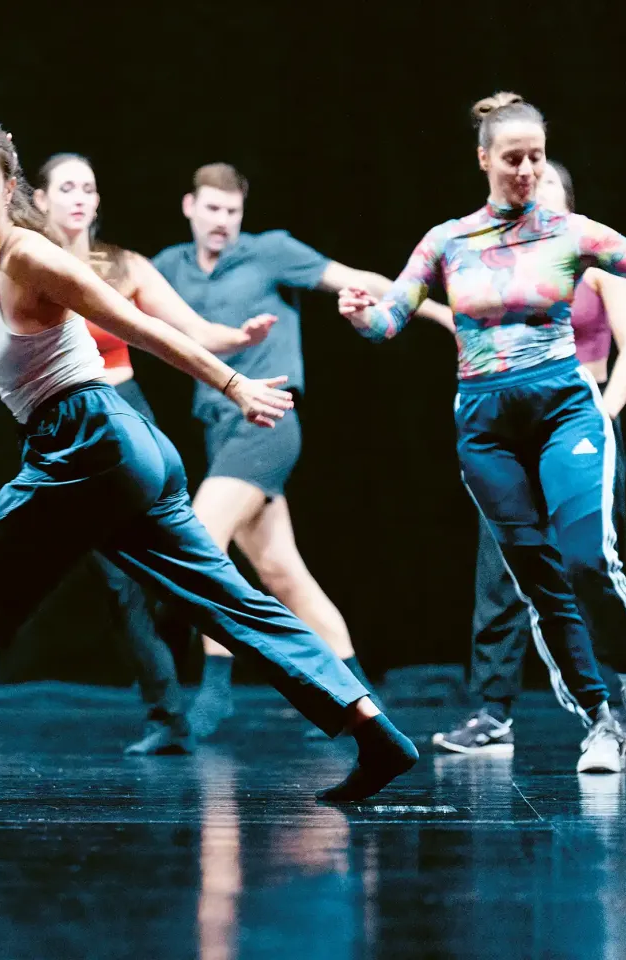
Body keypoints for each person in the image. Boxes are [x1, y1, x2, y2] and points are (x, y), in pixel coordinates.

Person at [0, 116, 419, 803]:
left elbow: (140, 325)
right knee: (230, 601)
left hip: (87, 442)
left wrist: (232, 382)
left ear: (10, 187)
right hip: (116, 451)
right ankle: (377, 734)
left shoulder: (30, 256)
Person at [338, 92, 626, 773]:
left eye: (536, 159)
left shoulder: (572, 235)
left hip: (565, 409)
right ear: (484, 159)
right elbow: (392, 318)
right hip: (485, 426)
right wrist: (360, 314)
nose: (524, 171)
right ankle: (599, 717)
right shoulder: (447, 242)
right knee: (537, 584)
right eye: (512, 158)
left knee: (587, 558)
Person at [0, 152, 274, 755]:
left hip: (120, 425)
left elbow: (179, 329)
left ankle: (306, 690)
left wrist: (237, 345)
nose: (79, 198)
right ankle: (169, 716)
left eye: (89, 188)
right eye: (66, 187)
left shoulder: (123, 266)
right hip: (67, 438)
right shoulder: (8, 260)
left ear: (98, 202)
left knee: (182, 575)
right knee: (116, 584)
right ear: (39, 198)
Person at [152, 164, 454, 737]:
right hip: (219, 428)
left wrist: (435, 311)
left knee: (198, 542)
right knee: (283, 574)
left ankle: (216, 690)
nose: (222, 222)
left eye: (232, 211)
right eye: (212, 209)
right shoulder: (169, 267)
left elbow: (352, 278)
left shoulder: (270, 253)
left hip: (269, 422)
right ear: (190, 206)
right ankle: (355, 692)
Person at [432, 160, 626, 756]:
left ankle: (623, 710)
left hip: (583, 425)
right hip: (513, 429)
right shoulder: (497, 268)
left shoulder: (595, 259)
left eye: (548, 189)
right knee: (502, 572)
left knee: (590, 566)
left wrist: (604, 413)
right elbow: (465, 331)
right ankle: (493, 712)